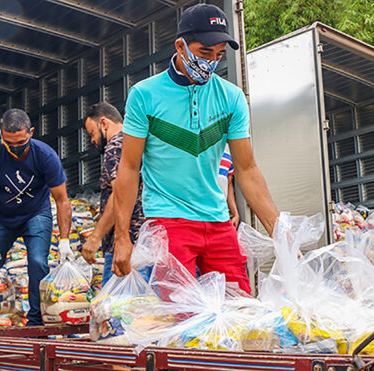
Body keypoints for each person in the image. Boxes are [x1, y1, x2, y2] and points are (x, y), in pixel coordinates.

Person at [113, 4, 278, 295]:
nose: (212, 62)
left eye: (218, 55)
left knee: (240, 308)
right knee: (183, 314)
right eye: (204, 53)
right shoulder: (144, 95)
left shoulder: (231, 98)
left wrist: (280, 234)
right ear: (180, 45)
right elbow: (128, 167)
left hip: (217, 220)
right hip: (168, 218)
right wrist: (122, 237)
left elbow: (247, 170)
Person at [0, 108, 73, 326]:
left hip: (36, 214)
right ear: (1, 134)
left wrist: (65, 240)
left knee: (37, 261)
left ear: (31, 133)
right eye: (10, 143)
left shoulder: (45, 156)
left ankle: (36, 320)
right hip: (3, 218)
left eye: (21, 142)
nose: (16, 149)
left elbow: (62, 199)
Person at [80, 102, 147, 286]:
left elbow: (119, 193)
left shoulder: (115, 146)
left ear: (104, 123)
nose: (92, 140)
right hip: (147, 244)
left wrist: (95, 239)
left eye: (92, 132)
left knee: (114, 309)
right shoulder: (139, 143)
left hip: (125, 247)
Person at [218, 148, 239, 229]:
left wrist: (235, 214)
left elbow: (228, 184)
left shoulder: (229, 151)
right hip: (198, 215)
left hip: (222, 214)